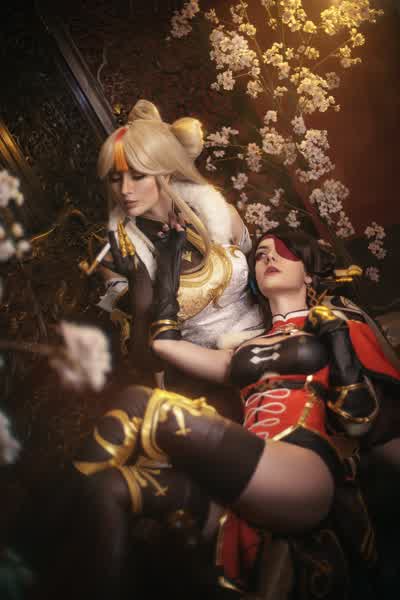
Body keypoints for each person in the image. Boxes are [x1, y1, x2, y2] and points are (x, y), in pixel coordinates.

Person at [69, 227, 400, 598]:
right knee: (108, 488)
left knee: (141, 403)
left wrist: (336, 337)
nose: (269, 257)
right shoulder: (241, 351)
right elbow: (164, 344)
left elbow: (363, 423)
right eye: (261, 254)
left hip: (304, 468)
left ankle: (54, 521)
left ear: (309, 274)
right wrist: (164, 263)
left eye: (283, 251)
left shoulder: (338, 323)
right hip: (247, 469)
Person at [95, 99, 263, 418]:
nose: (125, 190)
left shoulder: (221, 213)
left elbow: (266, 283)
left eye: (138, 175)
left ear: (167, 172)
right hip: (204, 386)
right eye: (115, 178)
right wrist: (142, 282)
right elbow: (144, 362)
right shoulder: (118, 255)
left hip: (269, 345)